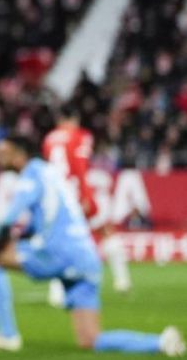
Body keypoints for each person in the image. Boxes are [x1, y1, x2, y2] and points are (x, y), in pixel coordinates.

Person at [0, 136, 186, 356]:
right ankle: (160, 342)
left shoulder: (33, 172)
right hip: (87, 258)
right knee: (91, 339)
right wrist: (21, 237)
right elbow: (43, 221)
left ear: (19, 155)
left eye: (3, 152)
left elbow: (10, 217)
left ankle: (7, 335)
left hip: (60, 252)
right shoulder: (52, 174)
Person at [43, 105, 131, 307]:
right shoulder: (81, 136)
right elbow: (81, 167)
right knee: (107, 231)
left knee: (60, 243)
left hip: (56, 197)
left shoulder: (49, 139)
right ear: (74, 119)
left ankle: (56, 293)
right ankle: (122, 279)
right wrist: (85, 194)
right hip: (76, 193)